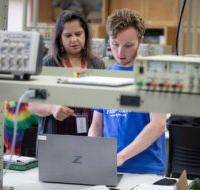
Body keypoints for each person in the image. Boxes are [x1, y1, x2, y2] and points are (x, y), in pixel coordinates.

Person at [88, 8, 167, 175]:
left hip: (145, 170)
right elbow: (96, 125)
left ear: (140, 41)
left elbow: (158, 125)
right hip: (110, 169)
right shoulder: (107, 75)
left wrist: (121, 157)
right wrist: (94, 153)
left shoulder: (153, 74)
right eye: (115, 44)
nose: (120, 52)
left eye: (128, 45)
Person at [29, 10, 105, 136]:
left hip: (91, 131)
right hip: (57, 131)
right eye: (68, 35)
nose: (74, 39)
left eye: (78, 34)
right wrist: (52, 108)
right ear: (60, 38)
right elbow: (33, 105)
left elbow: (105, 103)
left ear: (85, 35)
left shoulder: (97, 64)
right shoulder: (49, 63)